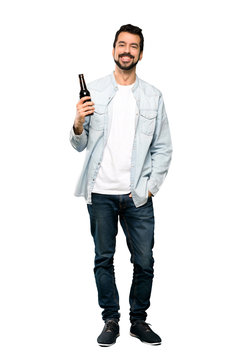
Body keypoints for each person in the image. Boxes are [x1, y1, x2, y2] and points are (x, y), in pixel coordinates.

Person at [70, 24, 172, 347]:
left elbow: (163, 148)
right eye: (122, 45)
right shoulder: (96, 92)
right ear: (113, 49)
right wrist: (77, 122)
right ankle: (110, 319)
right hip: (99, 192)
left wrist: (150, 188)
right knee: (104, 258)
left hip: (137, 195)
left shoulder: (153, 97)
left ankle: (138, 320)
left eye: (133, 46)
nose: (126, 50)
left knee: (144, 261)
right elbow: (79, 144)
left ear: (141, 53)